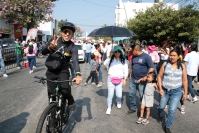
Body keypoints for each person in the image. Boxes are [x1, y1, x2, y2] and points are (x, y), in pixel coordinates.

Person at [42, 22, 83, 111]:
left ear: (72, 35)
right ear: (61, 32)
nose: (67, 34)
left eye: (70, 32)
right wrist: (50, 47)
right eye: (65, 31)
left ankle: (70, 99)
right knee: (51, 99)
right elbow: (43, 52)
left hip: (63, 71)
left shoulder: (73, 47)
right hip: (51, 71)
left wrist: (78, 74)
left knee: (64, 90)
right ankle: (52, 123)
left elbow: (75, 61)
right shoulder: (54, 40)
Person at [157, 47, 188, 133]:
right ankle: (159, 114)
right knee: (161, 107)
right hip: (165, 90)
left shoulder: (182, 66)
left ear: (178, 56)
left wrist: (185, 93)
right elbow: (159, 77)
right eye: (171, 55)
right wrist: (160, 89)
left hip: (176, 91)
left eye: (174, 55)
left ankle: (168, 126)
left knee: (172, 110)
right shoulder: (165, 65)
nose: (172, 57)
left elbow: (185, 80)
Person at [127, 44, 154, 114]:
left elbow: (152, 68)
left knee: (142, 95)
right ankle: (133, 108)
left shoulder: (146, 57)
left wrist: (146, 76)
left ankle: (143, 108)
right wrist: (130, 73)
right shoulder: (134, 57)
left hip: (142, 80)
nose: (131, 52)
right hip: (133, 79)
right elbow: (132, 66)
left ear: (136, 50)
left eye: (132, 51)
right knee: (131, 94)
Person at [104, 46, 128, 114]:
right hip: (111, 79)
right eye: (116, 52)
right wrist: (109, 56)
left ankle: (118, 101)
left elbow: (126, 70)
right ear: (114, 52)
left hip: (119, 79)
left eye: (118, 52)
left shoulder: (124, 60)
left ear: (120, 52)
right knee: (110, 94)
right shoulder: (111, 60)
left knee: (119, 95)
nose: (117, 53)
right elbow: (104, 63)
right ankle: (109, 107)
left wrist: (125, 79)